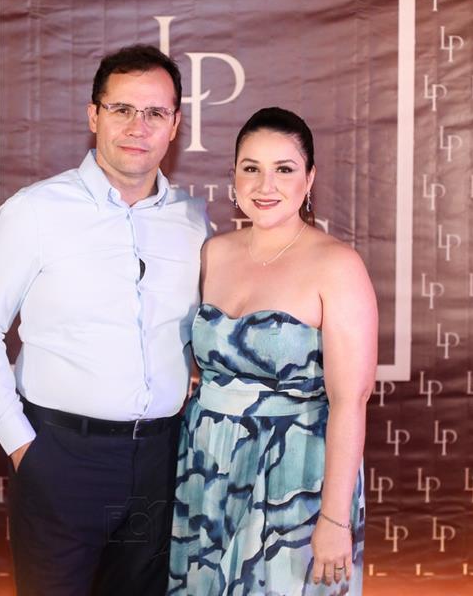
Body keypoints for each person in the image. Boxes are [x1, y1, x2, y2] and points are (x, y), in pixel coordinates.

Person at [0, 44, 210, 596]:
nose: (138, 127)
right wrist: (21, 445)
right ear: (94, 115)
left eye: (155, 112)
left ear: (175, 126)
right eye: (122, 109)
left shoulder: (194, 222)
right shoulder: (36, 211)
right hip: (61, 459)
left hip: (159, 462)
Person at [169, 107, 377, 595]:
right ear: (234, 176)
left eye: (284, 169)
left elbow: (351, 401)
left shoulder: (338, 265)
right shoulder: (212, 252)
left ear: (310, 178)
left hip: (295, 474)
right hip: (205, 466)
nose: (266, 185)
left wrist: (334, 518)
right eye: (251, 168)